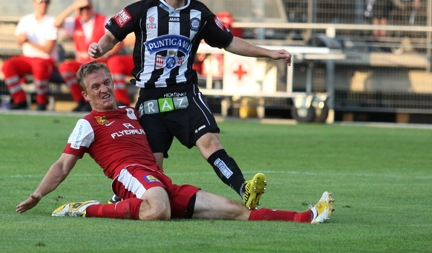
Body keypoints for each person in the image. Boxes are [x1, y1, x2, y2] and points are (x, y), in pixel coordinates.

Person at [86, 0, 292, 210]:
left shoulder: (198, 13)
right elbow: (112, 33)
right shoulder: (142, 10)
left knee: (210, 142)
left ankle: (244, 189)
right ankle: (122, 202)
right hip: (150, 98)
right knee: (152, 165)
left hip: (184, 94)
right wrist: (99, 48)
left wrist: (269, 52)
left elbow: (229, 42)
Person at [15, 62, 334, 224]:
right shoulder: (86, 125)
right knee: (159, 211)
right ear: (85, 94)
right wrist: (38, 194)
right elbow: (62, 164)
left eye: (107, 82)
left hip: (156, 178)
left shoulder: (133, 112)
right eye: (96, 87)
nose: (104, 89)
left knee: (235, 210)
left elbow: (166, 122)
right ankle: (87, 209)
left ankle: (305, 217)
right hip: (130, 176)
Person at [54, 0, 134, 111]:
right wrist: (73, 6)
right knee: (65, 67)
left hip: (100, 61)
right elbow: (56, 23)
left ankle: (121, 102)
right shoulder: (75, 23)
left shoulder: (103, 20)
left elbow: (118, 39)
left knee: (114, 64)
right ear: (77, 10)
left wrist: (107, 53)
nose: (85, 11)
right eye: (81, 8)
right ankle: (82, 101)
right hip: (82, 63)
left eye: (87, 7)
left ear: (92, 8)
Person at [2, 0, 59, 111]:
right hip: (27, 59)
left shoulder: (52, 21)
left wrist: (28, 41)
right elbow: (18, 41)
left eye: (46, 1)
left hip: (45, 60)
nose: (43, 4)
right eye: (40, 1)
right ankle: (19, 100)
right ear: (34, 2)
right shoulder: (26, 19)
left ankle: (41, 102)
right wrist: (21, 39)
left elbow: (48, 50)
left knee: (39, 67)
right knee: (7, 65)